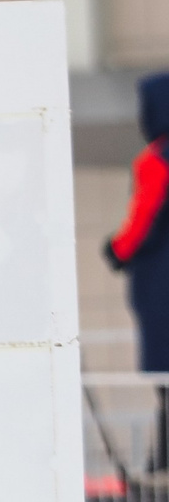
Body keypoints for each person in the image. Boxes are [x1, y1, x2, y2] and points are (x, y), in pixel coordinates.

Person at [100, 71, 169, 466]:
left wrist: (116, 250)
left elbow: (144, 220)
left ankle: (162, 465)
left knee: (166, 384)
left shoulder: (157, 160)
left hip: (161, 291)